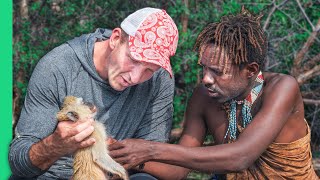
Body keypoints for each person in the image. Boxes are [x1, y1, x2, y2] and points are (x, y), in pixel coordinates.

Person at [108, 7, 318, 179]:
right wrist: (124, 154)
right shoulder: (204, 97)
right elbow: (178, 170)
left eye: (217, 72)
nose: (206, 79)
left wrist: (150, 149)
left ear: (251, 71)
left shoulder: (281, 88)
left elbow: (240, 158)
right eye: (204, 68)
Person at [9, 7, 178, 179]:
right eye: (133, 59)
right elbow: (18, 164)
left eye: (148, 69)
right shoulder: (57, 67)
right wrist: (54, 145)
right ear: (115, 38)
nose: (135, 77)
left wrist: (121, 154)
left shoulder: (159, 78)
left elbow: (154, 157)